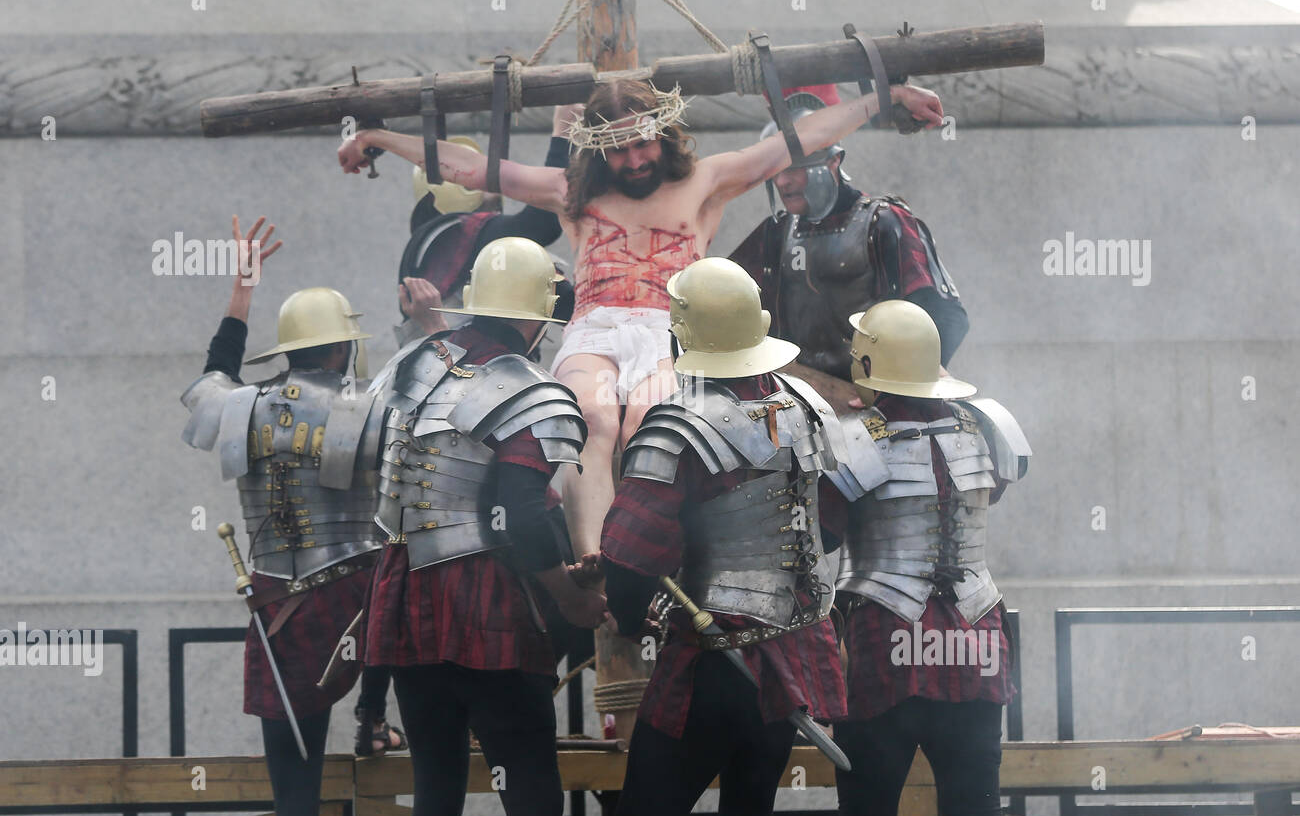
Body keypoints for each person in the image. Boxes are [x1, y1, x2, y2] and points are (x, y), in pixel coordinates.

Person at [337, 76, 944, 564]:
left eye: (643, 142)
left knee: (649, 424)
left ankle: (642, 557)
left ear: (664, 133)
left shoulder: (704, 182)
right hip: (594, 327)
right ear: (599, 150)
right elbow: (472, 170)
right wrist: (381, 139)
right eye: (619, 148)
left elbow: (797, 138)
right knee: (588, 421)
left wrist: (886, 97)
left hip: (667, 331)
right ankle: (592, 562)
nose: (633, 159)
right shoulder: (573, 192)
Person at [180, 215, 425, 816]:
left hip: (273, 596)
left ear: (287, 350)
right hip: (355, 588)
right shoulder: (367, 407)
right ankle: (373, 719)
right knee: (409, 585)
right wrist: (424, 327)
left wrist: (240, 299)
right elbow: (428, 403)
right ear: (343, 346)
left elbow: (209, 379)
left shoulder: (240, 405)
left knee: (295, 771)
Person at [362, 236, 607, 816]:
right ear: (536, 318)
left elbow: (370, 458)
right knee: (529, 789)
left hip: (404, 585)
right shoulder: (534, 391)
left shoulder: (413, 359)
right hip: (485, 596)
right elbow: (519, 513)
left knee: (436, 787)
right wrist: (569, 595)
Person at [595, 258, 848, 816]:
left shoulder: (676, 425)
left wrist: (633, 618)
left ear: (680, 333)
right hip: (791, 650)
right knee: (749, 811)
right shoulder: (806, 407)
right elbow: (827, 525)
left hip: (714, 658)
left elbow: (632, 553)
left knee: (645, 814)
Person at [825, 299, 1030, 816]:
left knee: (868, 811)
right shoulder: (986, 424)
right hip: (976, 634)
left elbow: (824, 530)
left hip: (883, 634)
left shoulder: (850, 435)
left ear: (868, 362)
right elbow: (992, 492)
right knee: (975, 812)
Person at [729, 85, 969, 415]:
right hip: (801, 403)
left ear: (833, 162)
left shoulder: (884, 222)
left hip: (881, 405)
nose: (782, 182)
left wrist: (897, 389)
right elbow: (725, 299)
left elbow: (942, 316)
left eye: (794, 168)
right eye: (775, 172)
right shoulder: (777, 232)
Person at [395, 104, 581, 345]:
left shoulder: (435, 244)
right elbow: (542, 222)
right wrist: (563, 133)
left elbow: (570, 306)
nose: (495, 189)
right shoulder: (452, 236)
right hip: (470, 373)